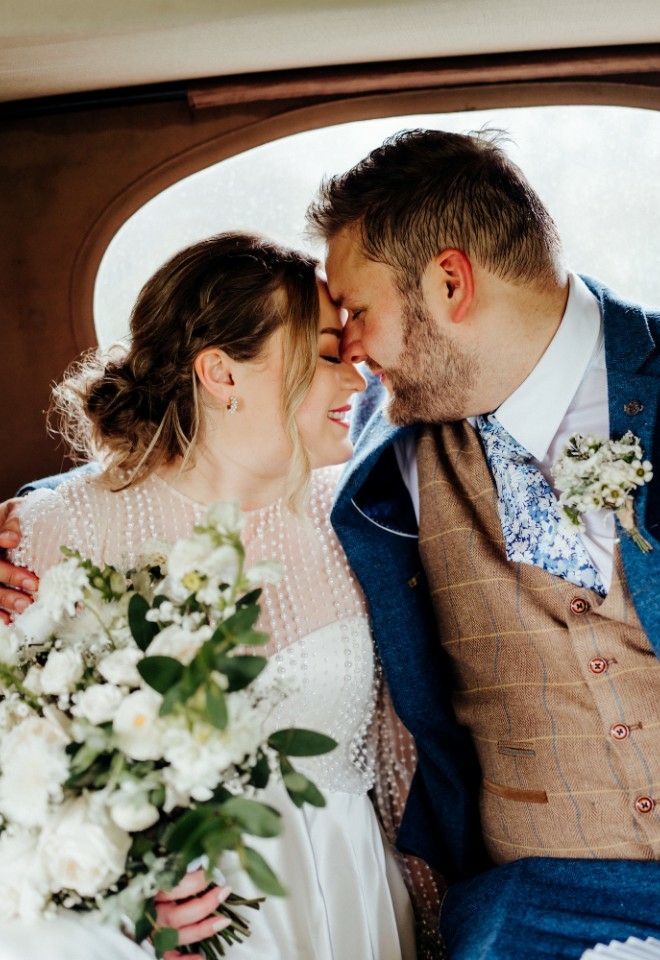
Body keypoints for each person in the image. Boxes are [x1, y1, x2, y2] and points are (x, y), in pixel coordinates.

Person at [0, 232, 441, 960]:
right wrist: (111, 911)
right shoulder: (47, 534)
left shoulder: (362, 520)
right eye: (329, 354)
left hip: (347, 903)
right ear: (220, 373)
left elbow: (402, 765)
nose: (358, 383)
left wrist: (433, 925)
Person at [302, 128, 660, 960]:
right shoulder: (379, 432)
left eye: (357, 311)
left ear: (450, 282)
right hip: (528, 911)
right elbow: (208, 461)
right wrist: (32, 532)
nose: (348, 347)